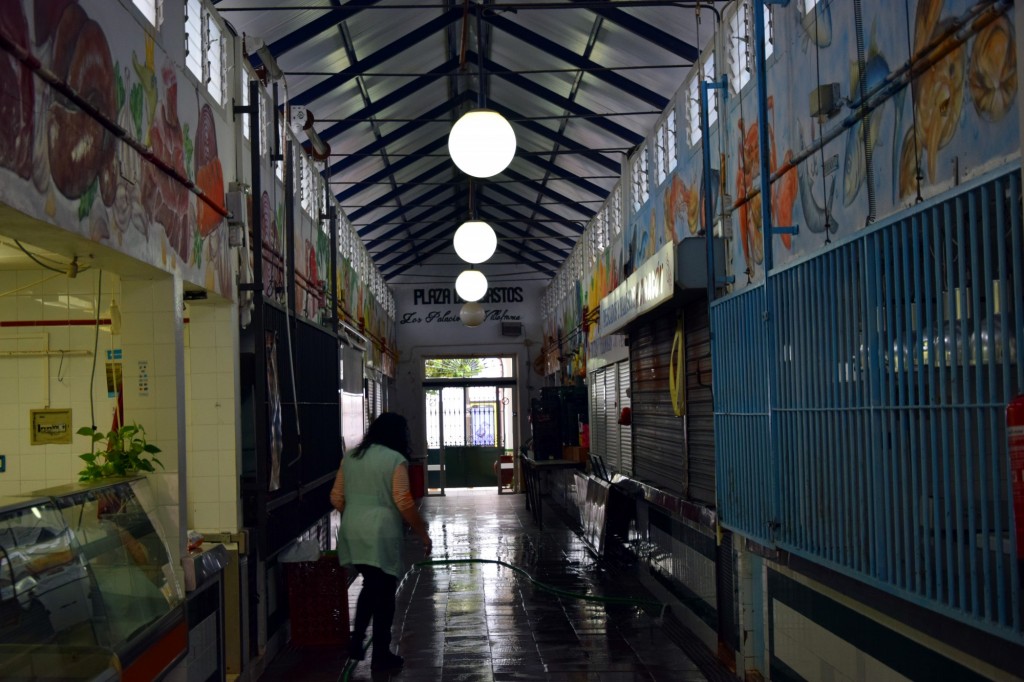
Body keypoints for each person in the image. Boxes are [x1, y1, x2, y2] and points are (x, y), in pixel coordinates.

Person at [330, 412, 431, 672]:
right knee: (384, 594)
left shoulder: (350, 457)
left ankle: (357, 640)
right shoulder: (395, 460)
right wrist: (422, 532)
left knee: (371, 584)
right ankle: (381, 655)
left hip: (353, 530)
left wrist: (355, 515)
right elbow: (403, 501)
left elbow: (336, 497)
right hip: (381, 532)